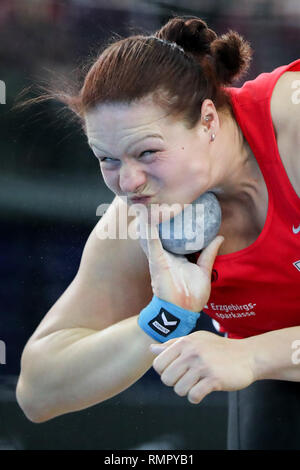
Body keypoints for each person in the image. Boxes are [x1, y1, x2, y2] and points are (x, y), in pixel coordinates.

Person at [16, 16, 300, 450]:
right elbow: (38, 391)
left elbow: (249, 359)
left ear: (208, 121)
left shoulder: (293, 125)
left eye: (147, 152)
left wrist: (252, 354)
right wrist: (164, 317)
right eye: (106, 159)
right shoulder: (141, 216)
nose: (128, 183)